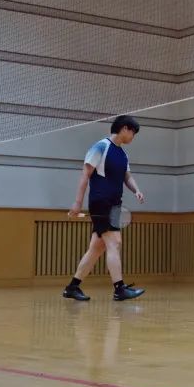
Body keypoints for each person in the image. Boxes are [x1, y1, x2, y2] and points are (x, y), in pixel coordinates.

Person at [63, 115, 146, 302]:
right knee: (114, 242)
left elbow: (127, 177)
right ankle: (119, 289)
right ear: (125, 129)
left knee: (97, 248)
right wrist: (77, 203)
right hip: (101, 202)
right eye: (133, 133)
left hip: (115, 204)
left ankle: (72, 287)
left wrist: (137, 190)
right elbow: (85, 174)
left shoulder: (123, 154)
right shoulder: (101, 147)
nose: (133, 137)